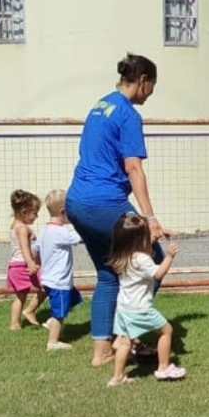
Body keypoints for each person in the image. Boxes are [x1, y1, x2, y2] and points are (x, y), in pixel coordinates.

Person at [66, 54, 169, 370]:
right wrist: (150, 220)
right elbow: (134, 167)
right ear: (143, 80)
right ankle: (130, 338)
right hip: (104, 202)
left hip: (76, 201)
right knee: (153, 260)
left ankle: (102, 351)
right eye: (151, 86)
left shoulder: (100, 105)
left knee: (109, 273)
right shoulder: (127, 115)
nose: (150, 93)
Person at [106, 213, 183, 383]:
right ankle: (163, 367)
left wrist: (157, 237)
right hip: (140, 308)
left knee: (126, 342)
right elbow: (158, 274)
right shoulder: (141, 259)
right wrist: (169, 257)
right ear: (140, 239)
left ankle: (117, 377)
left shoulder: (122, 256)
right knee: (166, 330)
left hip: (124, 307)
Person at [37, 189, 85, 352]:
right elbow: (80, 237)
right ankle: (53, 342)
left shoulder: (44, 231)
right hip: (59, 282)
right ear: (63, 211)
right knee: (60, 313)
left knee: (72, 300)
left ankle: (52, 323)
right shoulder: (61, 232)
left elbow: (36, 249)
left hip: (49, 279)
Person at [7, 189, 46, 330]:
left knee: (20, 296)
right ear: (24, 213)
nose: (36, 216)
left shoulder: (15, 226)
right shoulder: (22, 229)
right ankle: (29, 311)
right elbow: (24, 247)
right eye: (34, 213)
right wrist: (30, 262)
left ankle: (14, 323)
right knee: (45, 287)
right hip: (22, 266)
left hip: (14, 266)